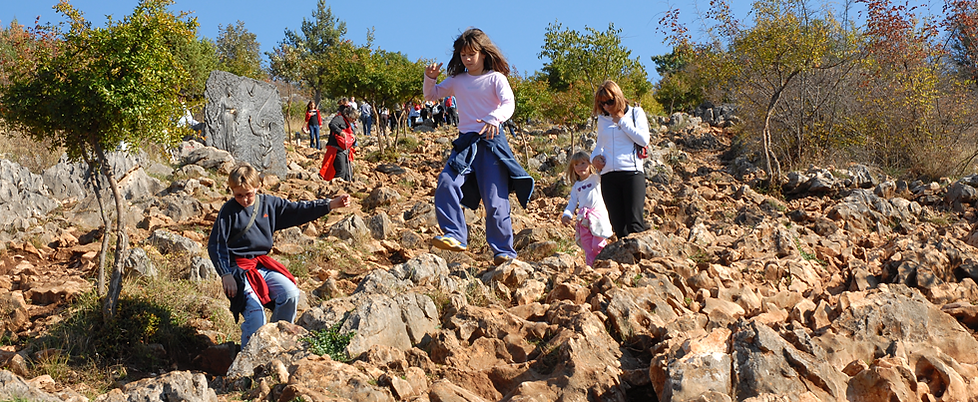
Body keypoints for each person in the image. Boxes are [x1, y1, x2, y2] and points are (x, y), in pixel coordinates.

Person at [423, 27, 534, 266]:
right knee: (446, 183)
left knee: (495, 202)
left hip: (491, 143)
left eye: (472, 54)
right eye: (463, 55)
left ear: (483, 53)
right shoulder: (457, 80)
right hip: (465, 145)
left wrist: (495, 118)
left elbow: (508, 103)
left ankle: (504, 251)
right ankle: (454, 234)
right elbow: (432, 96)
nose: (467, 59)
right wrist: (429, 77)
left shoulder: (496, 78)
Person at [208, 163, 350, 347]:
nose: (244, 199)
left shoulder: (269, 204)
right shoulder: (228, 211)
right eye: (239, 195)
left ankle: (277, 342)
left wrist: (330, 204)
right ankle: (248, 358)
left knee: (290, 293)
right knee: (256, 313)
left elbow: (299, 210)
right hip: (238, 271)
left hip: (261, 266)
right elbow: (216, 245)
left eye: (249, 194)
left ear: (258, 186)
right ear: (232, 191)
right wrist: (226, 274)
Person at [590, 80, 650, 238]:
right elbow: (599, 146)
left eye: (609, 102)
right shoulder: (602, 120)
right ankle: (626, 262)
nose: (606, 107)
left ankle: (641, 261)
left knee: (634, 223)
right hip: (609, 176)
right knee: (618, 225)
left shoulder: (636, 113)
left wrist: (622, 120)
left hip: (632, 174)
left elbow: (643, 140)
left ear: (618, 97)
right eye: (602, 103)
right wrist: (594, 159)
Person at [561, 151, 612, 267]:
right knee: (588, 246)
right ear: (573, 168)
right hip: (583, 219)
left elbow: (604, 169)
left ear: (590, 164)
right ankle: (591, 267)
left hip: (598, 217)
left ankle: (604, 263)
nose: (580, 167)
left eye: (583, 163)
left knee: (597, 244)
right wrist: (567, 215)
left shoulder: (596, 178)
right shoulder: (576, 187)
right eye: (577, 165)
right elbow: (572, 203)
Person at [319, 104, 359, 181]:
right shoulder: (339, 118)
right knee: (341, 171)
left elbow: (352, 134)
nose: (354, 120)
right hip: (336, 150)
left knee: (348, 172)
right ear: (348, 115)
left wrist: (353, 138)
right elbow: (331, 125)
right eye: (353, 118)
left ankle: (347, 188)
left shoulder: (348, 123)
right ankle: (337, 189)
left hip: (346, 150)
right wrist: (340, 132)